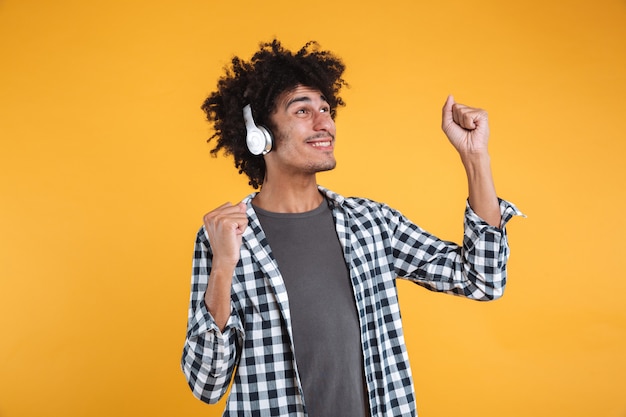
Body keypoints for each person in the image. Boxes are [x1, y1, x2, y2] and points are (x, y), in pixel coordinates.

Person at [181, 39, 522, 417]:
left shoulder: (370, 224)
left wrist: (475, 158)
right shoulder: (225, 236)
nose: (324, 122)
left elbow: (483, 279)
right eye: (302, 111)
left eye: (326, 109)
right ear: (258, 133)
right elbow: (207, 384)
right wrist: (223, 267)